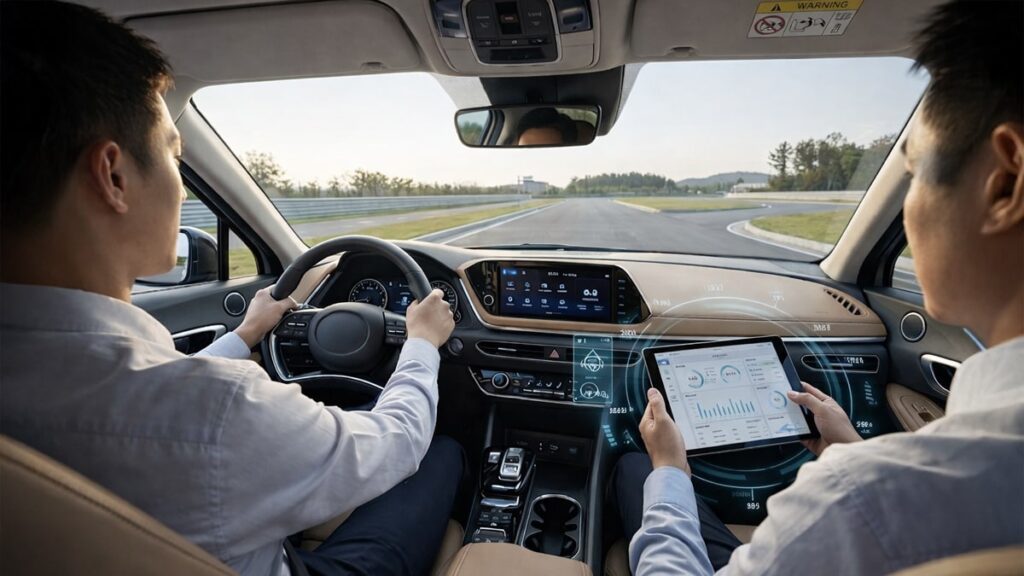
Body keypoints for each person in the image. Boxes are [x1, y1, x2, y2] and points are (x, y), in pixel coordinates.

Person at [0, 3, 462, 576]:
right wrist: (419, 344)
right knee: (440, 451)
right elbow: (394, 441)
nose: (178, 178)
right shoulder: (219, 412)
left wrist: (246, 333)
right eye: (174, 153)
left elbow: (145, 390)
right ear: (114, 177)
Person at [614, 1, 1024, 574]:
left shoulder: (855, 502)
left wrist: (671, 470)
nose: (907, 210)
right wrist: (854, 450)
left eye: (914, 171)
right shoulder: (881, 490)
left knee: (638, 471)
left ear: (1005, 181)